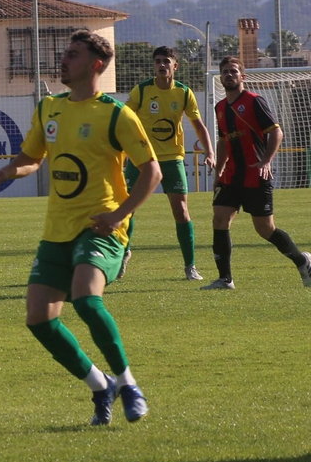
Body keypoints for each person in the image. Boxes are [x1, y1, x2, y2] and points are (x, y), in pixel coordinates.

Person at [0, 31, 158, 425]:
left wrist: (120, 214)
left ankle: (129, 384)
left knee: (85, 298)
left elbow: (152, 171)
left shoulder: (116, 114)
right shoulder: (49, 108)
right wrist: (9, 171)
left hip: (101, 226)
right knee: (39, 319)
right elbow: (32, 158)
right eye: (64, 53)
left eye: (74, 55)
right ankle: (102, 385)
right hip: (57, 229)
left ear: (96, 64)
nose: (64, 61)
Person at [204, 56, 311, 290]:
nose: (229, 75)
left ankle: (303, 261)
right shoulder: (220, 107)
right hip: (231, 175)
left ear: (242, 76)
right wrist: (219, 170)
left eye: (233, 71)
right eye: (225, 72)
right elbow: (223, 140)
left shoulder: (254, 101)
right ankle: (225, 279)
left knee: (265, 229)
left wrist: (266, 160)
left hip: (255, 175)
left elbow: (276, 132)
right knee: (219, 219)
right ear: (220, 77)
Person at [123, 46, 215, 281]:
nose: (161, 65)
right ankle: (123, 254)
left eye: (166, 61)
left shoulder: (184, 93)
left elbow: (199, 125)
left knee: (181, 210)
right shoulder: (142, 91)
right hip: (142, 159)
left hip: (172, 158)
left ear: (175, 66)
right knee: (128, 209)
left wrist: (210, 152)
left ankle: (190, 266)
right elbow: (123, 119)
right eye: (157, 61)